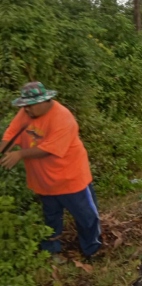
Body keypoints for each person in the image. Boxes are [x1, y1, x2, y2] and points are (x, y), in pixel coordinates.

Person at [0, 82, 101, 258]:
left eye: (29, 106)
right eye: (24, 106)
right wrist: (3, 149)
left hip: (70, 180)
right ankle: (52, 251)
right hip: (44, 181)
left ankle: (91, 250)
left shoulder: (63, 118)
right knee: (51, 217)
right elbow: (11, 134)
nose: (26, 110)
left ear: (43, 102)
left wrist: (20, 154)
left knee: (86, 217)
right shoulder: (25, 113)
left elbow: (49, 149)